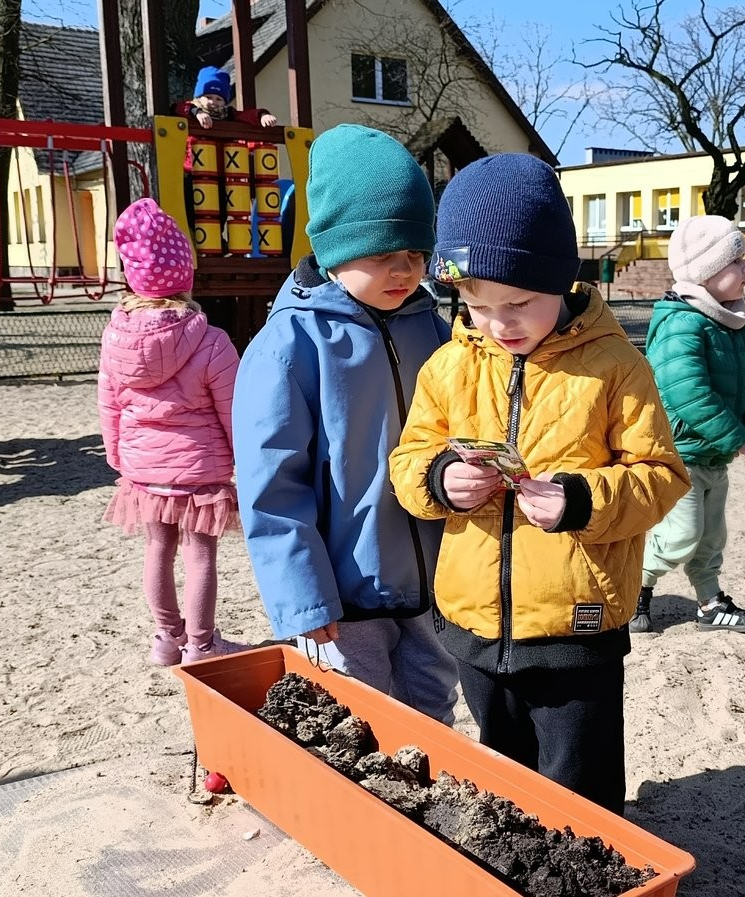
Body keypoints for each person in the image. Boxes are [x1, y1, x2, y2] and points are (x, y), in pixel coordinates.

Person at [388, 153, 691, 814]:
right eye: (476, 306)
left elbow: (661, 477)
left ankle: (591, 852)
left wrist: (581, 499)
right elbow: (408, 461)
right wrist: (441, 479)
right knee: (503, 778)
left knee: (580, 783)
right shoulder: (448, 367)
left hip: (576, 625)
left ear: (560, 279)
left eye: (519, 303)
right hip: (473, 619)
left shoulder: (615, 366)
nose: (500, 323)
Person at [232, 124, 459, 723]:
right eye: (383, 255)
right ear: (335, 249)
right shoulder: (289, 345)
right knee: (364, 720)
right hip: (344, 590)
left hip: (435, 578)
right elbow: (271, 486)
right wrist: (303, 599)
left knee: (435, 710)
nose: (404, 271)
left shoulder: (435, 330)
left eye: (416, 255)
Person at [98, 198, 245, 665]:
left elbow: (109, 403)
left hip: (144, 468)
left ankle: (166, 639)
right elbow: (233, 410)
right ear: (185, 276)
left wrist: (116, 453)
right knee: (200, 555)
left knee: (157, 548)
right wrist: (242, 457)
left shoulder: (114, 340)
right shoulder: (212, 340)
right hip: (199, 471)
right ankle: (201, 645)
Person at [632, 214, 745, 635]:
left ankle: (710, 603)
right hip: (680, 454)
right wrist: (736, 436)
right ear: (706, 272)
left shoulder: (733, 322)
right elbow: (687, 392)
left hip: (712, 453)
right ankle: (634, 587)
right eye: (736, 261)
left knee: (711, 536)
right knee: (681, 535)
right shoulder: (681, 323)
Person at [177, 66, 278, 131]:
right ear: (199, 97)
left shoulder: (228, 114)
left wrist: (262, 115)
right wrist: (197, 112)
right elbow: (178, 108)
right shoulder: (191, 108)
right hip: (193, 156)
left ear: (224, 102)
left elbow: (246, 116)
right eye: (208, 97)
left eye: (219, 99)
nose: (213, 102)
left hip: (222, 157)